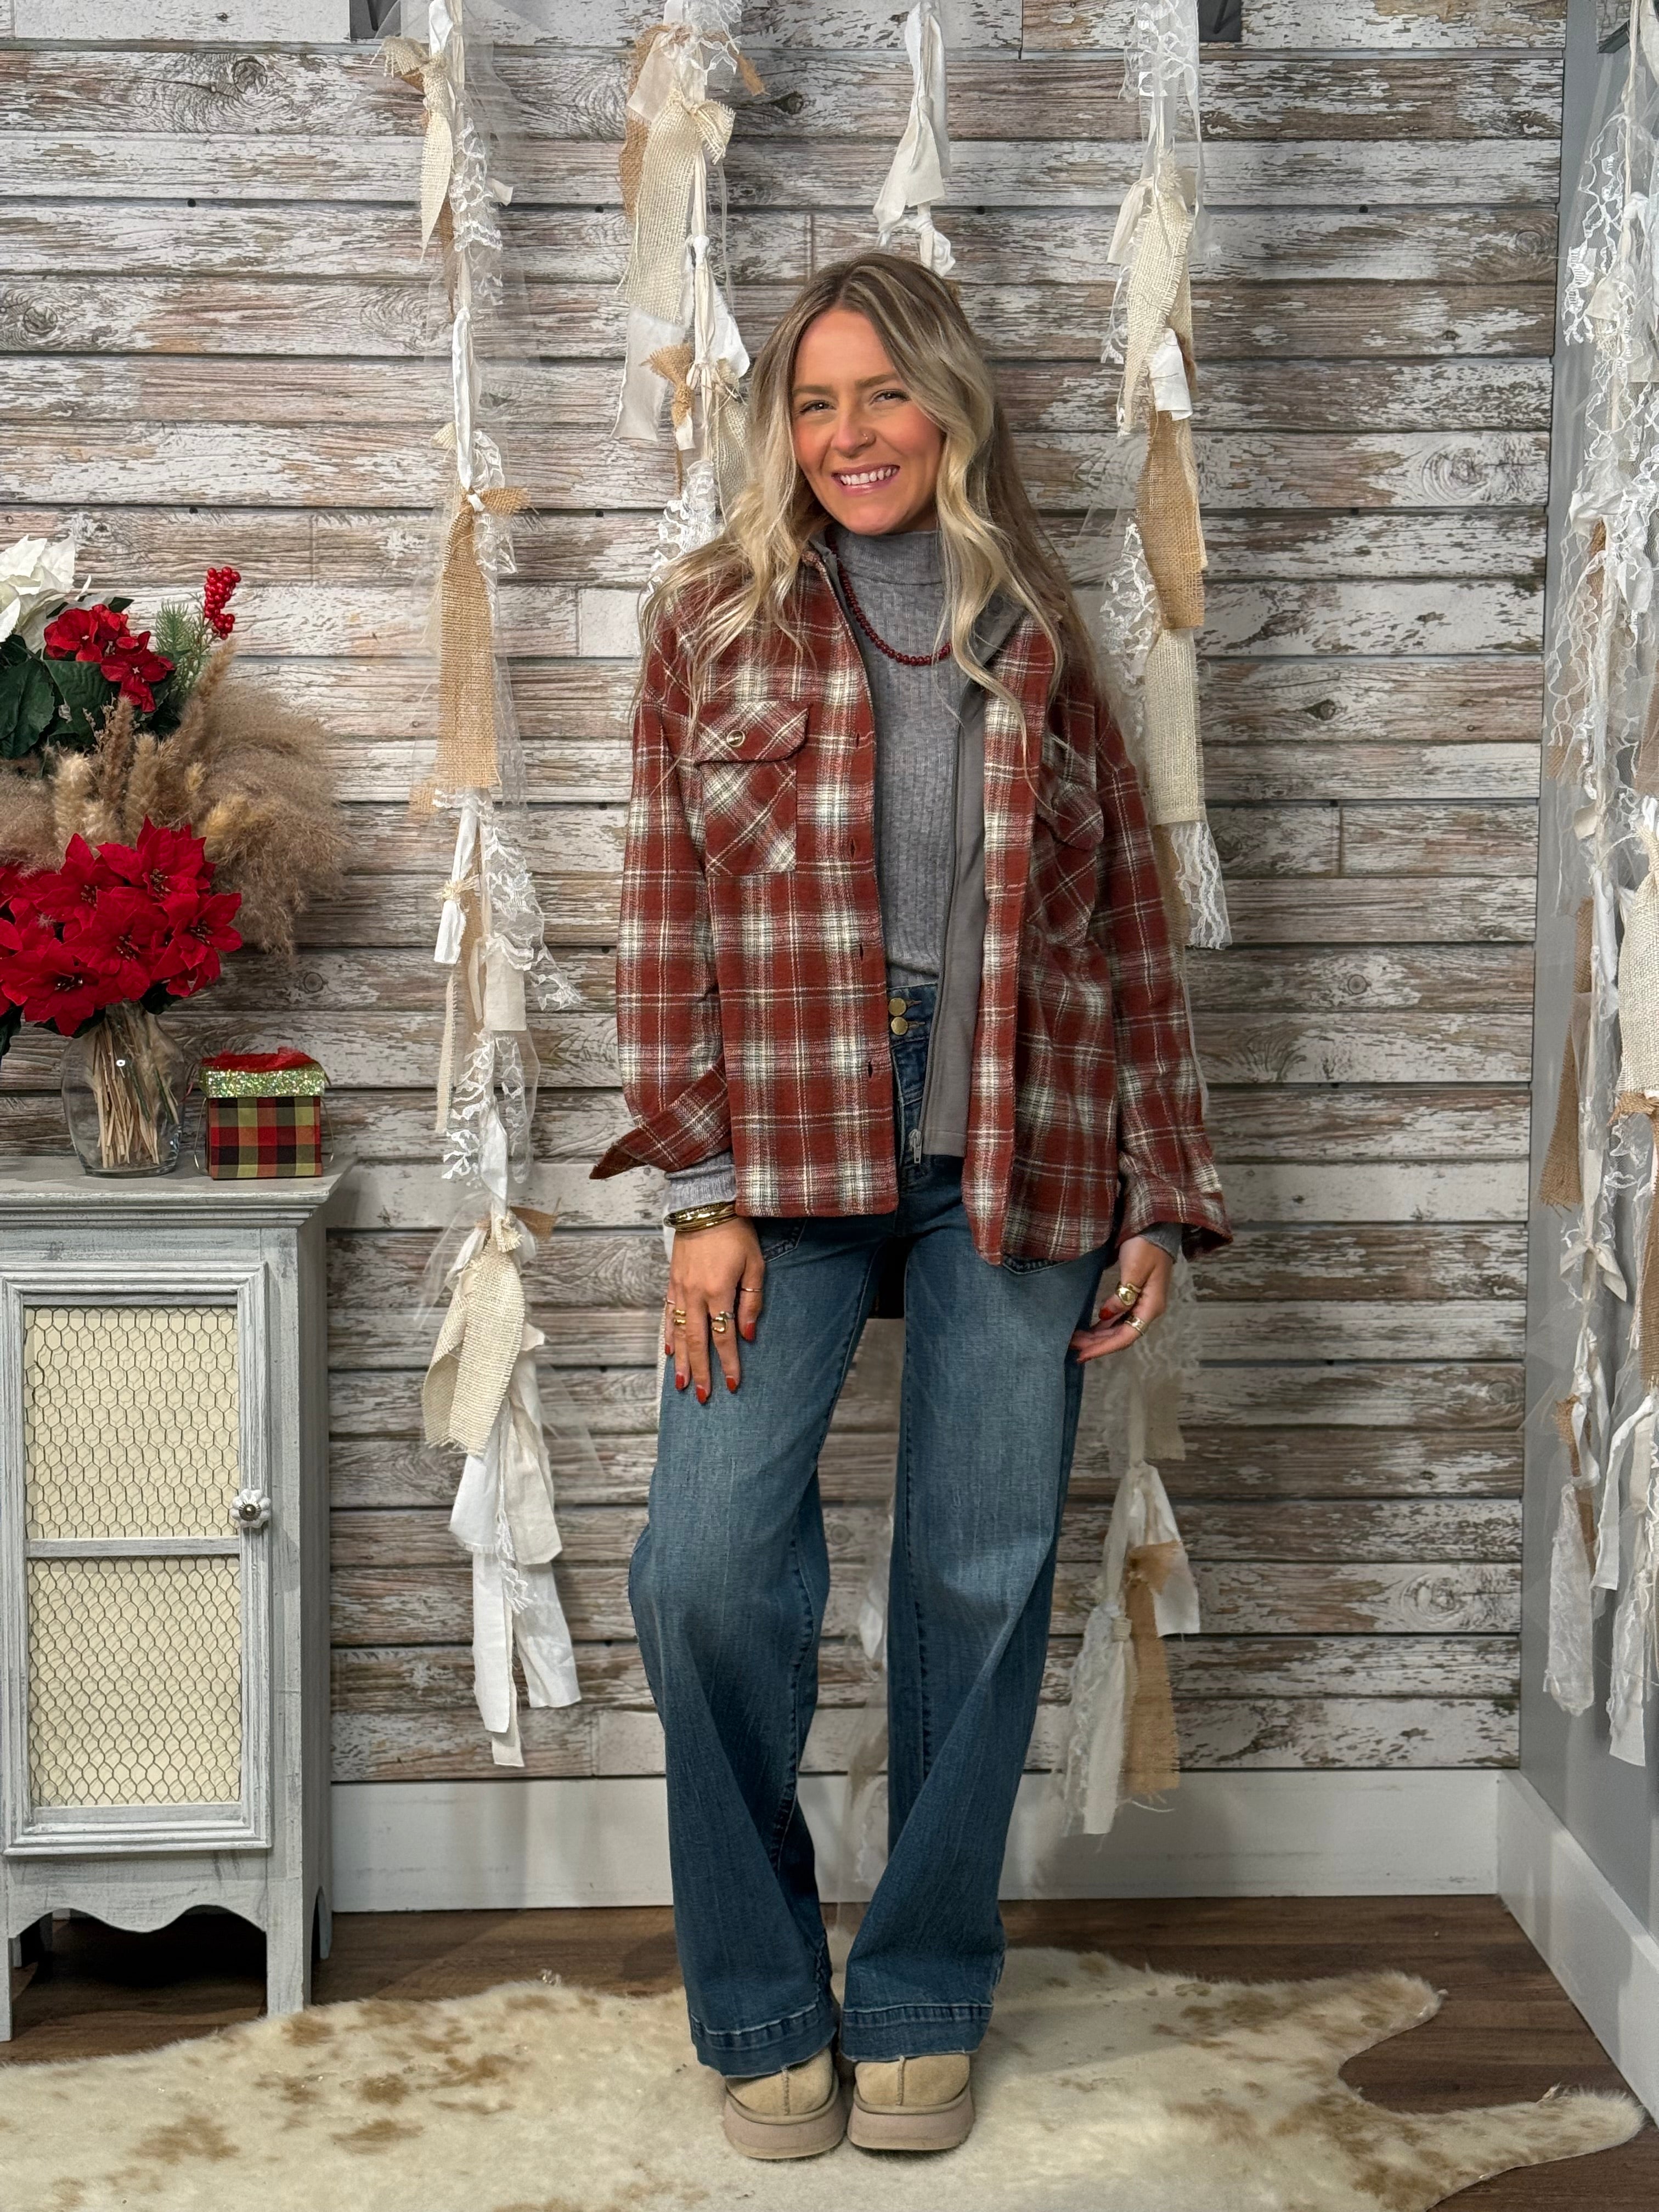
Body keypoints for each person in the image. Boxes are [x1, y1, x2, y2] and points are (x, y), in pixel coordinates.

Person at [590, 250, 1230, 2161]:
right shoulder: (706, 621)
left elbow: (1123, 924)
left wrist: (1156, 1188)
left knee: (978, 1568)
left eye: (883, 395)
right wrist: (698, 1190)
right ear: (780, 428)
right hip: (782, 1139)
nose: (849, 434)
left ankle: (927, 1989)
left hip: (1020, 1134)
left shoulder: (1037, 627)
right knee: (702, 1566)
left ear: (949, 409)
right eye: (814, 401)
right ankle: (762, 1996)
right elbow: (662, 913)